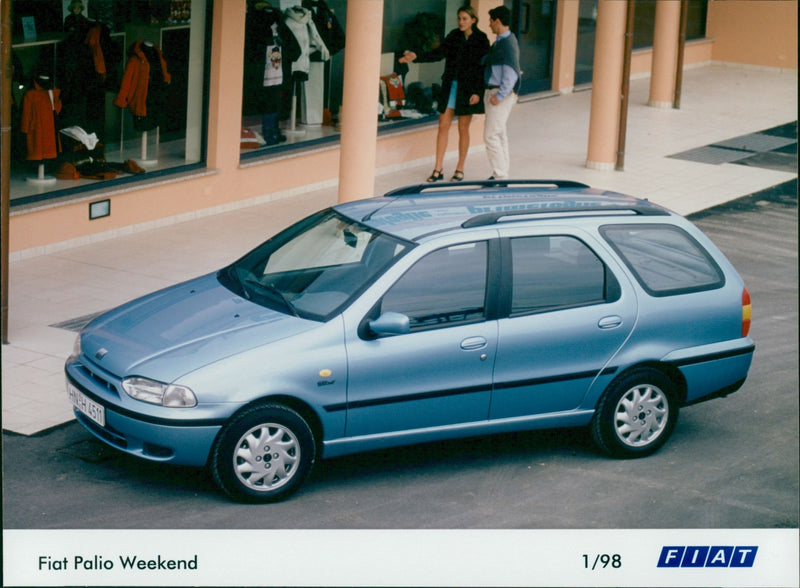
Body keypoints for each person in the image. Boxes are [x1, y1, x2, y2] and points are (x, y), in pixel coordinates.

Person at [400, 6, 489, 182]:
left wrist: (478, 92)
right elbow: (437, 54)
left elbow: (483, 68)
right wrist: (416, 56)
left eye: (464, 18)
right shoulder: (454, 36)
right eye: (459, 18)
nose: (461, 22)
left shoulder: (481, 39)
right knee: (443, 126)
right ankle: (438, 168)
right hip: (450, 87)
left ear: (473, 20)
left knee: (464, 128)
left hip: (468, 90)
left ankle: (460, 169)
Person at [483, 5, 521, 180]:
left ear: (497, 22)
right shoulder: (503, 41)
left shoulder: (507, 45)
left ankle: (499, 176)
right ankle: (502, 172)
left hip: (499, 94)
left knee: (490, 136)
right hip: (497, 93)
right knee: (499, 134)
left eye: (491, 21)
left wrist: (499, 97)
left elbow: (511, 73)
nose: (489, 24)